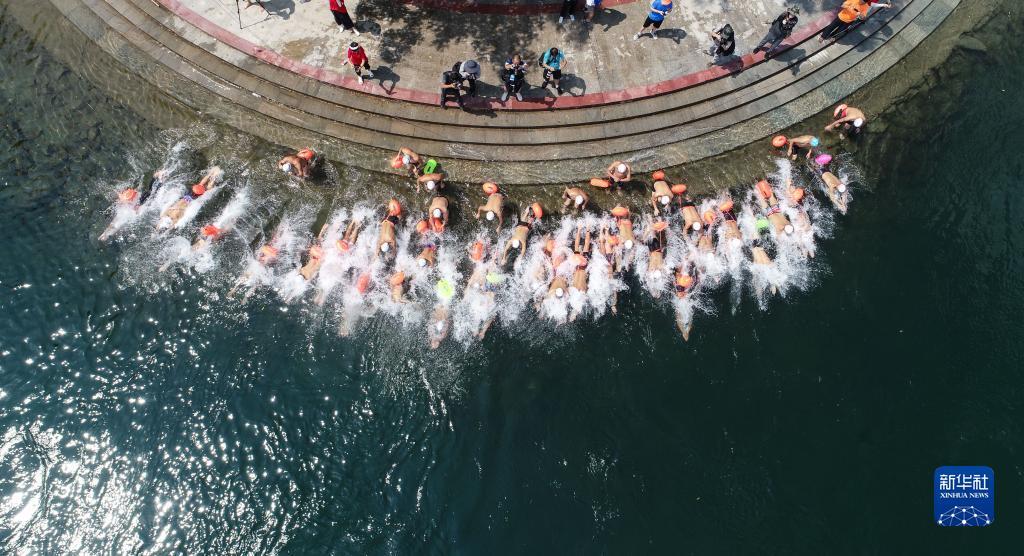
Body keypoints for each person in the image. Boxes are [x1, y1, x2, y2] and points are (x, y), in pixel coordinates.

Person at [157, 167, 223, 229]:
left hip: (191, 200)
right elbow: (161, 220)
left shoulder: (175, 217)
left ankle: (214, 177)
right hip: (186, 197)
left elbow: (173, 224)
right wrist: (157, 228)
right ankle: (210, 173)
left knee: (206, 190)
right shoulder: (167, 212)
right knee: (200, 185)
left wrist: (171, 226)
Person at [820, 1, 892, 43]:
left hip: (849, 21)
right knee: (831, 26)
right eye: (861, 1)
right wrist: (849, 8)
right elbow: (843, 4)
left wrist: (860, 15)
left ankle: (834, 37)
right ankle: (823, 36)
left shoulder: (866, 6)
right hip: (841, 16)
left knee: (840, 30)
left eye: (863, 2)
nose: (861, 2)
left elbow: (863, 17)